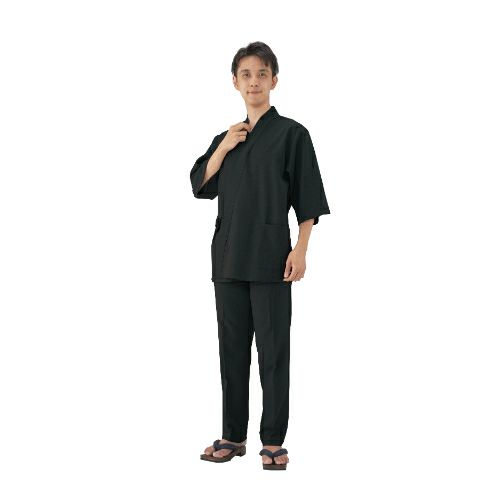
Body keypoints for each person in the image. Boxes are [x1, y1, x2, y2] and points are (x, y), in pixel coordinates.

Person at [190, 41, 331, 470]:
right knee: (231, 353)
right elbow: (199, 184)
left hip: (272, 260)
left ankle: (272, 440)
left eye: (262, 74)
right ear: (235, 82)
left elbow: (307, 198)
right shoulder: (227, 137)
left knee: (273, 353)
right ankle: (233, 436)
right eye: (246, 75)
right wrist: (223, 147)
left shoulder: (292, 134)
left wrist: (300, 250)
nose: (254, 82)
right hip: (228, 260)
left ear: (274, 80)